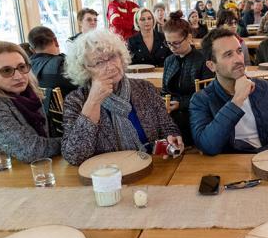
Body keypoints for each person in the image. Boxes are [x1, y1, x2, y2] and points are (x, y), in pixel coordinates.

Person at [62, 31, 183, 165]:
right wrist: (93, 102)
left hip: (149, 169)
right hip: (105, 178)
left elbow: (167, 127)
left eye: (113, 57)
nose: (110, 66)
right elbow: (74, 156)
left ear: (121, 56)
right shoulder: (76, 101)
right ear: (85, 69)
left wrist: (172, 139)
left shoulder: (145, 88)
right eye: (99, 62)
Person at [189, 28, 268, 155]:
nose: (238, 59)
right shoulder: (201, 100)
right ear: (211, 65)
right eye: (228, 54)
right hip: (229, 168)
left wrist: (257, 158)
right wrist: (237, 100)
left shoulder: (265, 89)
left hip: (267, 162)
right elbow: (208, 146)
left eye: (239, 51)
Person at [0, 41, 61, 162]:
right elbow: (30, 150)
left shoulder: (27, 93)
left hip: (27, 168)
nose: (19, 76)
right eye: (6, 71)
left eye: (22, 67)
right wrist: (71, 142)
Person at [162, 11, 214, 146]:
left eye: (176, 43)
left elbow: (208, 94)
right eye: (168, 43)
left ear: (189, 38)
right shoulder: (169, 61)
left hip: (196, 115)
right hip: (173, 114)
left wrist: (181, 103)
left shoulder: (203, 60)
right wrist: (164, 102)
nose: (172, 47)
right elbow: (164, 90)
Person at [28, 26, 77, 98]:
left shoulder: (26, 69)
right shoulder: (63, 65)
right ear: (56, 41)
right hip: (74, 107)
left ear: (32, 50)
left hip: (42, 108)